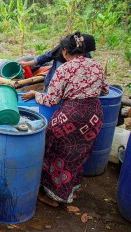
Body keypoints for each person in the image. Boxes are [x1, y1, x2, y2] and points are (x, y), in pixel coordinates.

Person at [21, 32, 109, 207]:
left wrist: (35, 94)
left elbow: (52, 100)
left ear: (66, 52)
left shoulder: (64, 69)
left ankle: (54, 197)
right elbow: (105, 91)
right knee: (79, 153)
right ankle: (71, 191)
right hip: (94, 116)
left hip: (72, 116)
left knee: (56, 150)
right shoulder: (96, 66)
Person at [19, 33, 96, 91]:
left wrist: (36, 94)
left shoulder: (88, 64)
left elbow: (52, 99)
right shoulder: (94, 66)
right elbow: (46, 57)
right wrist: (27, 64)